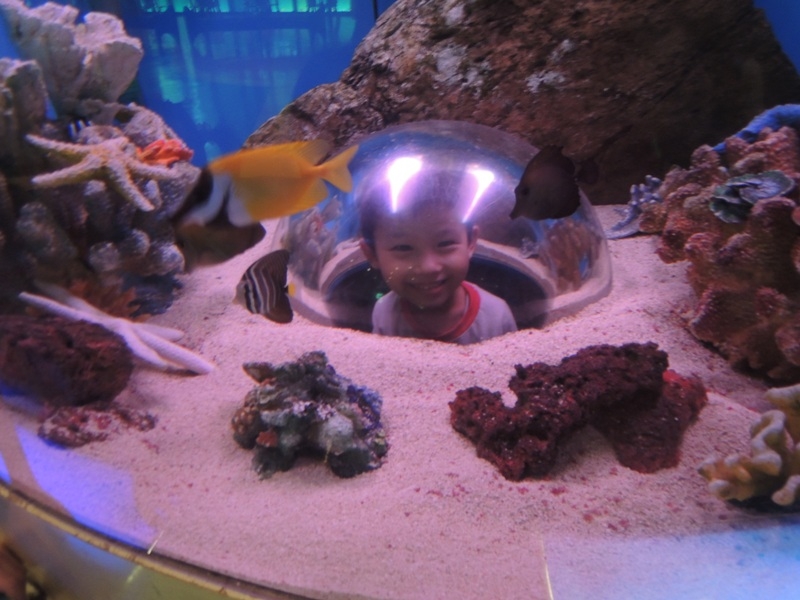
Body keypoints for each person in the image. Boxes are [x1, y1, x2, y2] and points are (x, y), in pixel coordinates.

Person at [358, 162, 517, 343]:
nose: (428, 267)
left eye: (445, 243)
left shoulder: (496, 316)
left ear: (471, 242)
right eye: (403, 247)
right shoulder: (384, 312)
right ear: (371, 254)